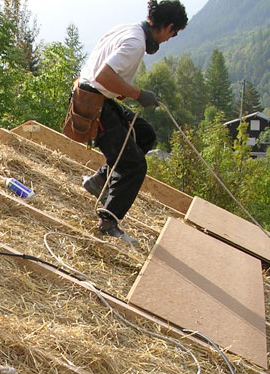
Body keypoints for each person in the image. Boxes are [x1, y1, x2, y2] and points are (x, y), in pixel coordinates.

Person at [76, 0, 188, 243]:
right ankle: (108, 222)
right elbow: (103, 75)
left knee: (144, 134)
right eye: (173, 33)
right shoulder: (135, 42)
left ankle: (100, 180)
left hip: (98, 96)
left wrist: (125, 92)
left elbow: (104, 74)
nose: (171, 38)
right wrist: (138, 94)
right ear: (168, 27)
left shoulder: (128, 30)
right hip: (95, 103)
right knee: (134, 166)